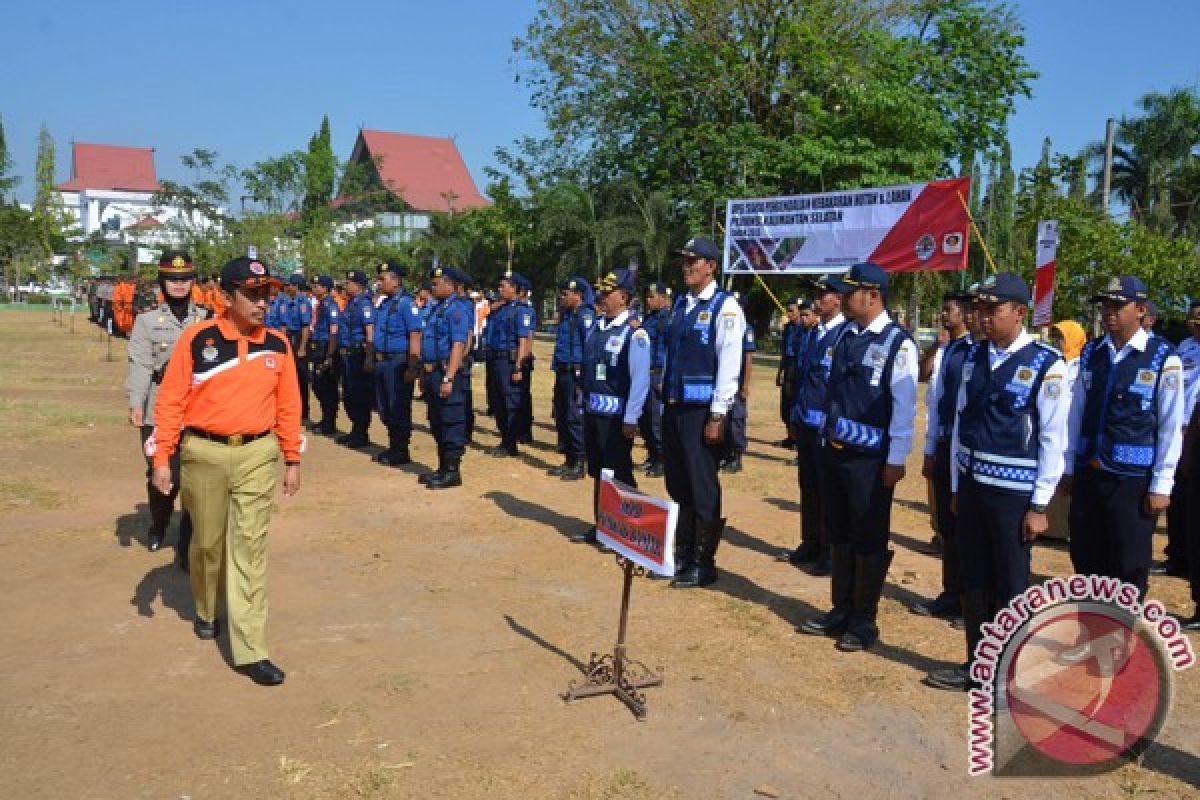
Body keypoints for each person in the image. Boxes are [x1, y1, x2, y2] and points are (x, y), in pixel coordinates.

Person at [151, 255, 302, 686]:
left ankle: (251, 648)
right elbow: (171, 401)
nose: (262, 303)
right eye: (252, 294)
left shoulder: (277, 345)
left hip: (257, 454)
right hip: (204, 454)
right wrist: (163, 457)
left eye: (266, 295)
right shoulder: (198, 341)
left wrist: (292, 459)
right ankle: (204, 606)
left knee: (250, 549)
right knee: (207, 545)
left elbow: (289, 406)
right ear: (225, 295)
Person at [923, 273, 1069, 691]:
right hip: (971, 488)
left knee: (1009, 583)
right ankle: (978, 665)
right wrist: (954, 487)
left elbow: (1053, 439)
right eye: (981, 309)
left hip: (1013, 495)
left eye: (994, 309)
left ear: (1019, 313)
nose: (983, 317)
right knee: (975, 580)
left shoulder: (1046, 365)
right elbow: (961, 422)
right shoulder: (973, 358)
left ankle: (1011, 673)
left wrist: (1040, 506)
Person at [799, 262, 918, 652]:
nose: (845, 299)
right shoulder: (847, 335)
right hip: (834, 452)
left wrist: (896, 460)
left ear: (873, 295)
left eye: (851, 293)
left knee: (868, 536)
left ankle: (864, 620)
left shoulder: (897, 343)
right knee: (840, 532)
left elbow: (903, 408)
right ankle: (840, 609)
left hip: (870, 461)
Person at [1064, 276, 1184, 598]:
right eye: (1105, 305)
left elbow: (1170, 427)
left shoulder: (1162, 358)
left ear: (1141, 310)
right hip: (1091, 473)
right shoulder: (1092, 352)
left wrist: (1161, 484)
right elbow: (1076, 413)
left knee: (1128, 564)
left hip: (1132, 482)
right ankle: (1091, 636)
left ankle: (1123, 642)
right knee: (1087, 559)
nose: (1109, 312)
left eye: (1118, 305)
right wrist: (1068, 467)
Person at [660, 237, 746, 588]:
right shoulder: (681, 303)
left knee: (702, 486)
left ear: (711, 266)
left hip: (702, 412)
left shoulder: (725, 307)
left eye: (693, 261)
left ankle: (703, 561)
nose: (686, 266)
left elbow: (729, 363)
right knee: (678, 483)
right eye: (684, 261)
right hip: (676, 406)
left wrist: (718, 415)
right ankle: (681, 553)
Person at [126, 251, 210, 565]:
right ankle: (159, 524)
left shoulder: (206, 318)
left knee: (195, 477)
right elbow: (139, 366)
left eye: (184, 278)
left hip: (197, 407)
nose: (178, 284)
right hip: (158, 407)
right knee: (162, 474)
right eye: (172, 279)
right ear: (162, 281)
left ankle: (187, 543)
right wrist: (136, 402)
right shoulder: (147, 321)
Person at [572, 269, 651, 544]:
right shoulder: (597, 326)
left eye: (608, 293)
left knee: (619, 473)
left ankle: (628, 528)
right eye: (601, 292)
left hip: (617, 417)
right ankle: (603, 525)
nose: (602, 298)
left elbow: (640, 379)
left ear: (624, 297)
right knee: (599, 472)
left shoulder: (635, 333)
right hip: (594, 412)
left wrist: (632, 417)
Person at [910, 291, 974, 623]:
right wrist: (931, 449)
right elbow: (935, 401)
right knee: (948, 527)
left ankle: (969, 600)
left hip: (965, 449)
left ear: (965, 314)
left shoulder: (974, 351)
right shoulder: (947, 349)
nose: (943, 315)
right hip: (945, 442)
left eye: (948, 310)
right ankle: (951, 593)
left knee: (965, 529)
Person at [779, 280, 845, 573]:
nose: (817, 299)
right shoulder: (814, 333)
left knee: (828, 490)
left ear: (839, 299)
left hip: (825, 426)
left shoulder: (845, 334)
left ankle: (830, 550)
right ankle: (811, 541)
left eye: (823, 294)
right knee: (808, 485)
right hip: (806, 420)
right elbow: (805, 378)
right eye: (816, 294)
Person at [417, 266, 472, 489]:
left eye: (437, 283)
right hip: (432, 371)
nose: (433, 286)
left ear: (450, 285)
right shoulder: (436, 308)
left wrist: (449, 378)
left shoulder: (456, 309)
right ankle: (442, 467)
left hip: (446, 372)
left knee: (451, 421)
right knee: (437, 420)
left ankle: (452, 471)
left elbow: (459, 344)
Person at [371, 261, 422, 466]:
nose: (379, 282)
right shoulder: (384, 304)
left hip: (398, 361)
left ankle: (400, 450)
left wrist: (412, 366)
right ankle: (394, 446)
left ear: (395, 280)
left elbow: (415, 335)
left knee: (398, 406)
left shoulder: (407, 304)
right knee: (384, 407)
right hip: (382, 362)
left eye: (383, 279)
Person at [549, 276, 596, 480]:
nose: (562, 297)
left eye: (566, 294)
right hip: (562, 370)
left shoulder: (585, 315)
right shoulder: (568, 315)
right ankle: (569, 458)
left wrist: (584, 376)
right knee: (561, 414)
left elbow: (590, 347)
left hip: (575, 373)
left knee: (574, 417)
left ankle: (579, 461)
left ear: (579, 295)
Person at [486, 272, 533, 457]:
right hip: (495, 359)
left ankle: (511, 442)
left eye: (504, 286)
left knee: (510, 402)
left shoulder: (521, 310)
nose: (500, 289)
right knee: (496, 401)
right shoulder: (500, 309)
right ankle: (504, 439)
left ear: (515, 289)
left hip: (509, 361)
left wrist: (519, 366)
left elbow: (524, 341)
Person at [337, 270, 376, 448]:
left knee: (359, 395)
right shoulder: (352, 303)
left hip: (359, 354)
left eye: (349, 283)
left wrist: (369, 357)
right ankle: (355, 430)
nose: (346, 285)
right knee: (349, 394)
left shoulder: (365, 304)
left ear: (358, 285)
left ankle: (361, 433)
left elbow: (370, 332)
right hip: (349, 355)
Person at [638, 282, 672, 477]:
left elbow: (667, 351)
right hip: (645, 372)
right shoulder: (649, 319)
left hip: (657, 373)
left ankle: (661, 459)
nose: (648, 300)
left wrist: (663, 378)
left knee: (655, 420)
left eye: (652, 297)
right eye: (647, 297)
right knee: (644, 419)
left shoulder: (666, 320)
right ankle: (651, 454)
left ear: (663, 298)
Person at [721, 292, 755, 473]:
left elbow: (748, 359)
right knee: (724, 419)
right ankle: (726, 454)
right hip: (725, 380)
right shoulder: (724, 325)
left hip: (738, 380)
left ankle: (736, 455)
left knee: (736, 420)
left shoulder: (746, 328)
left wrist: (745, 386)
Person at [308, 275, 341, 435]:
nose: (314, 288)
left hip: (326, 347)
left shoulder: (331, 305)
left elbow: (334, 330)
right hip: (318, 348)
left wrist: (330, 355)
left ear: (325, 288)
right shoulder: (321, 304)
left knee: (326, 386)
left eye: (317, 286)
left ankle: (329, 422)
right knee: (317, 384)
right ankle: (326, 418)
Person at [280, 275, 313, 425]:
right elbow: (284, 324)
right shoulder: (288, 301)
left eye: (290, 285)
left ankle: (304, 411)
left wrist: (302, 347)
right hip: (290, 337)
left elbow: (305, 326)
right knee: (289, 376)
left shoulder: (303, 303)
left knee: (301, 376)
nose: (288, 288)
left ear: (297, 287)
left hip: (300, 337)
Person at [775, 297, 804, 450]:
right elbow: (784, 352)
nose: (789, 313)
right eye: (788, 310)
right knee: (785, 403)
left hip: (797, 367)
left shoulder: (804, 329)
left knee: (794, 403)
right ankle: (790, 437)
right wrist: (780, 371)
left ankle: (797, 440)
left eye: (792, 310)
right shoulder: (788, 328)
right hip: (788, 366)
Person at [514, 275, 538, 444]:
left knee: (522, 396)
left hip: (523, 359)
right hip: (516, 357)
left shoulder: (526, 311)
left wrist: (522, 361)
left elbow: (528, 337)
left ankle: (525, 431)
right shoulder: (513, 309)